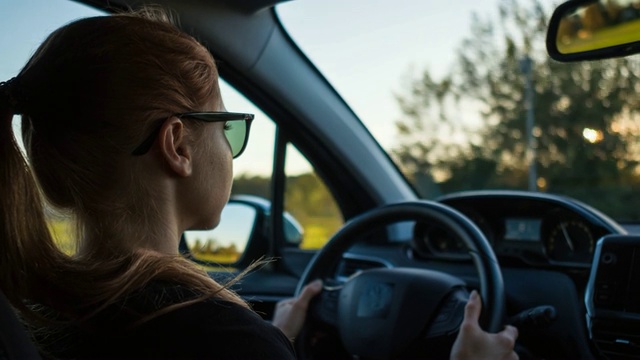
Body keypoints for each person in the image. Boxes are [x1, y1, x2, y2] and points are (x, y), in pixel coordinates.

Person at [0, 7, 518, 360]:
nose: (229, 148)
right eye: (226, 127)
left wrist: (277, 338)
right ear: (178, 145)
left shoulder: (41, 312)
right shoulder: (213, 337)